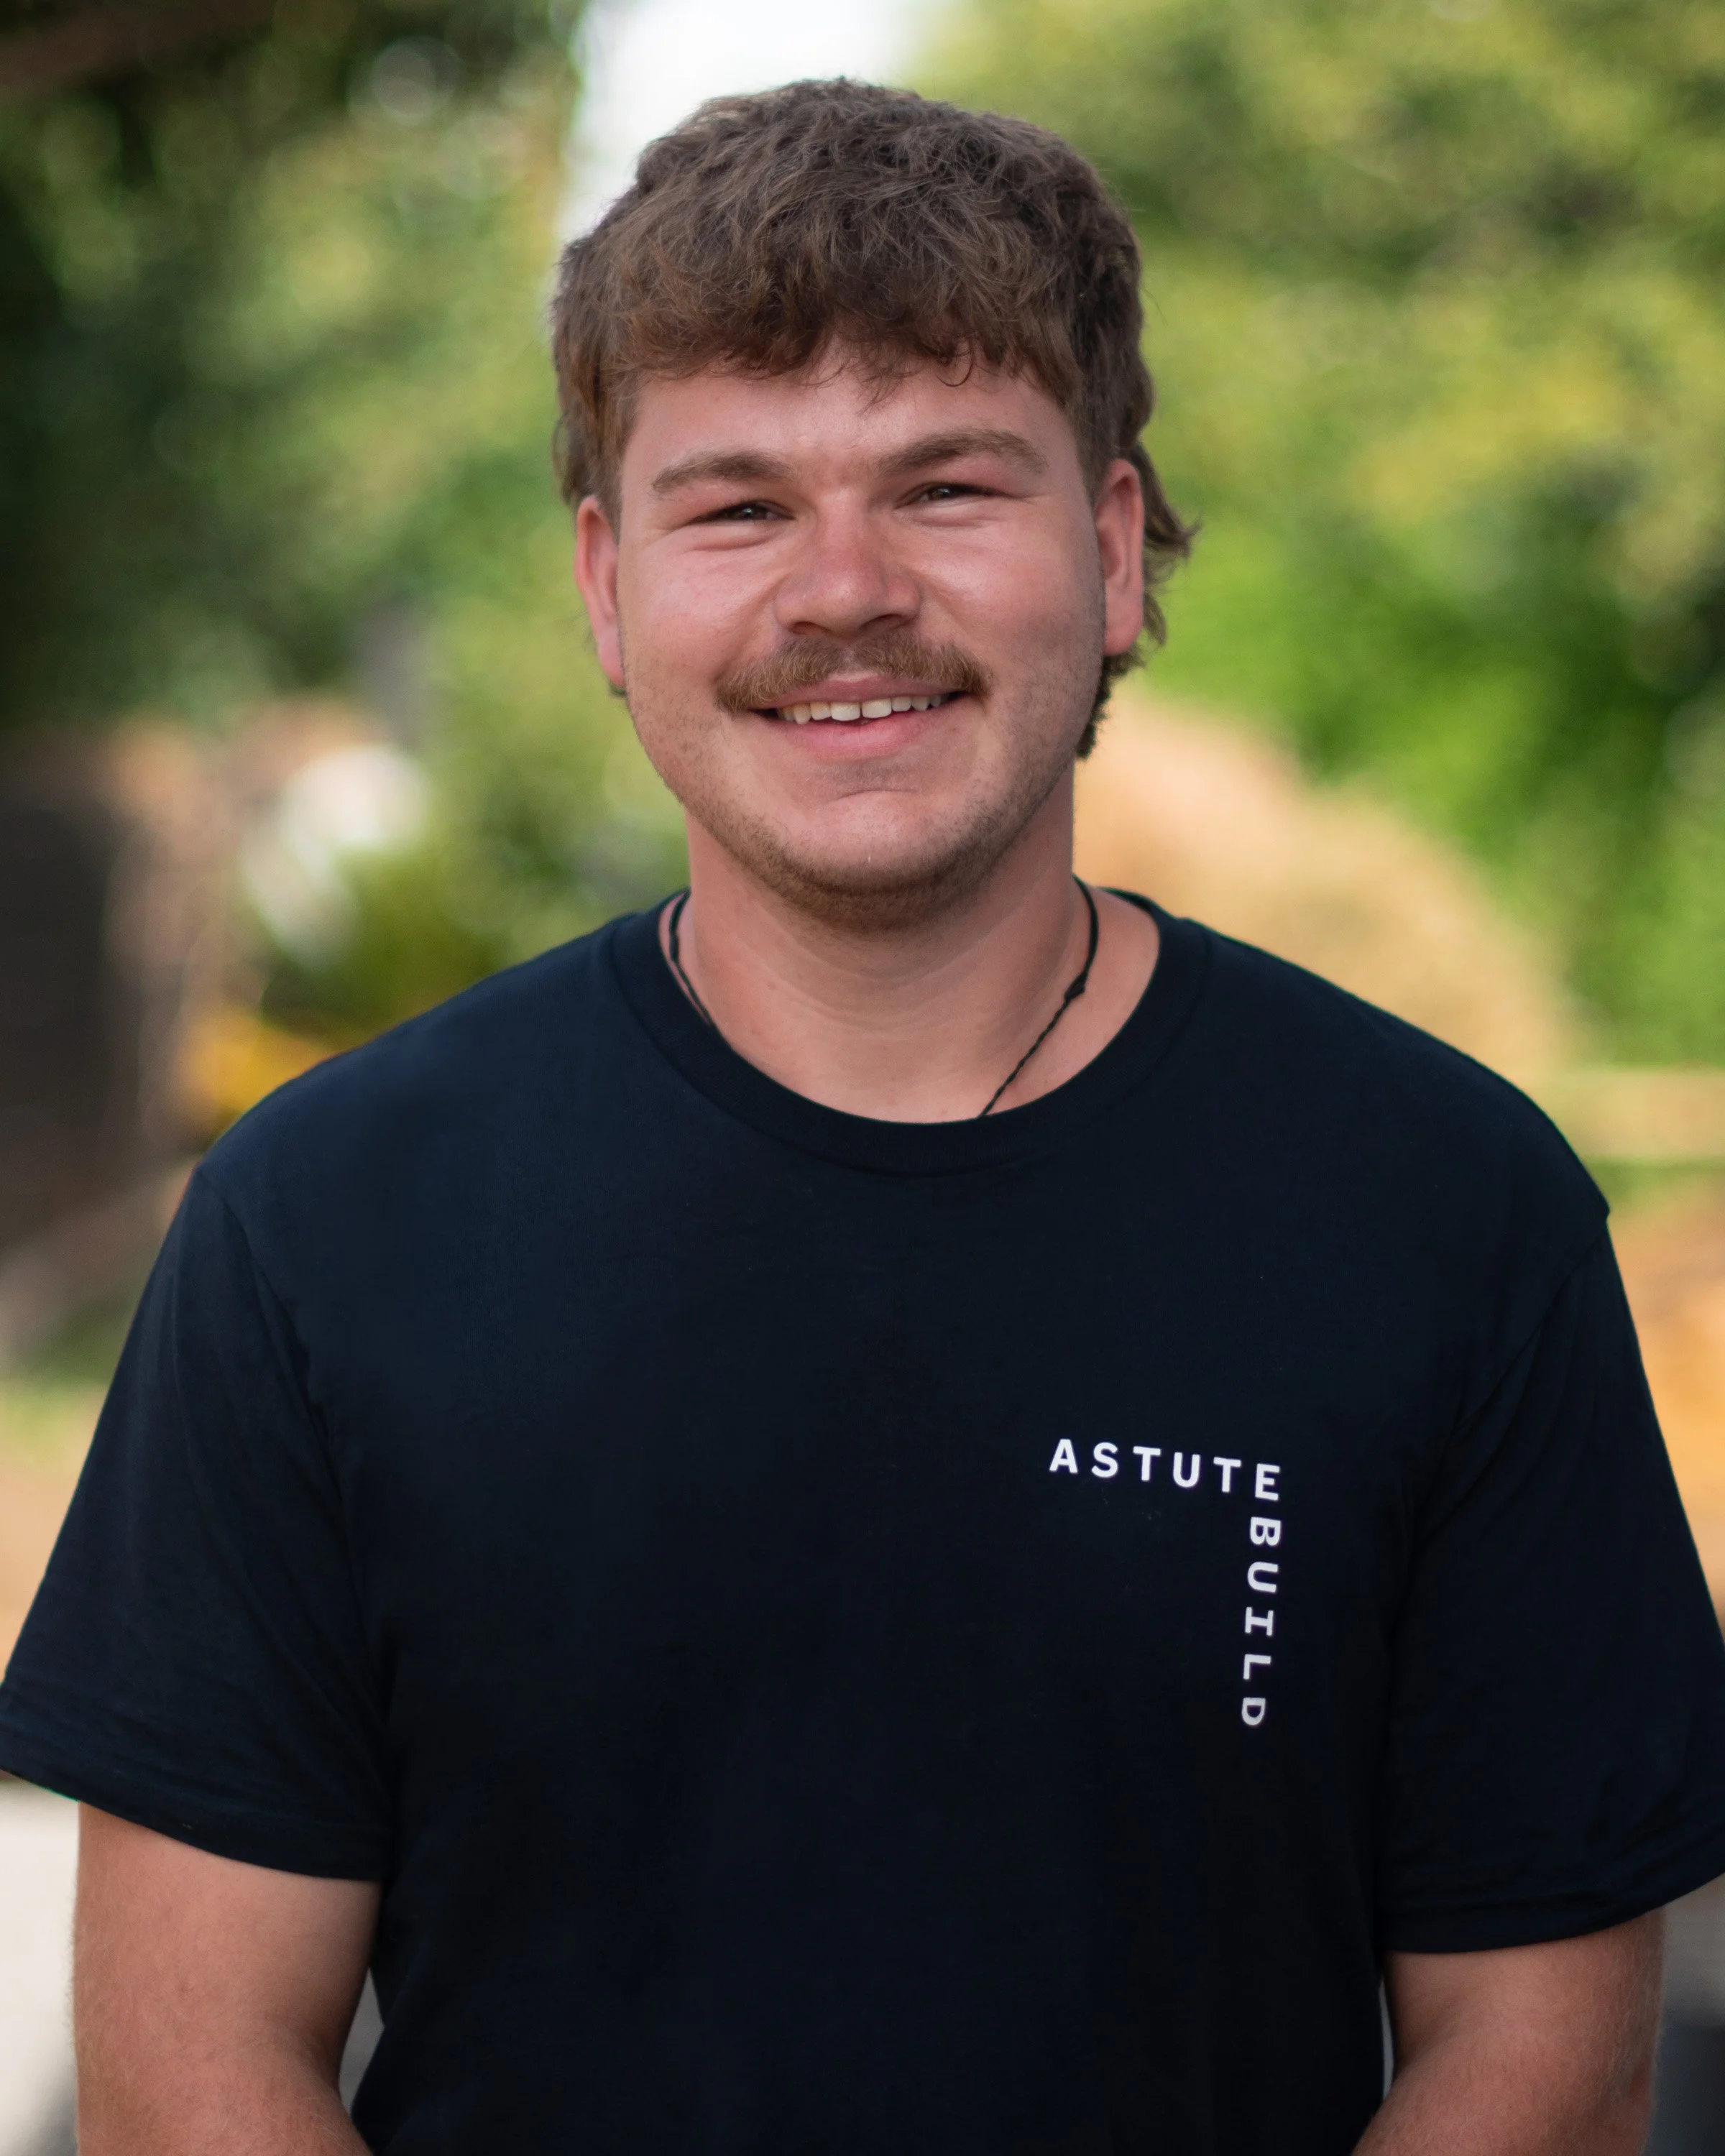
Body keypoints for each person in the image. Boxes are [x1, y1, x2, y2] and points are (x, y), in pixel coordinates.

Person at [2, 77, 1723, 2156]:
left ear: (1104, 548)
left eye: (945, 488)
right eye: (736, 506)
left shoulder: (1444, 1208)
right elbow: (196, 2082)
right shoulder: (326, 1219)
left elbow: (1545, 2067)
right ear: (609, 587)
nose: (844, 590)